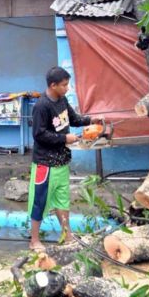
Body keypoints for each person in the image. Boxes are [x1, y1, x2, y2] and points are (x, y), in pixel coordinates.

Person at [28, 66, 101, 251]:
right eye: (64, 85)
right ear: (53, 85)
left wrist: (90, 120)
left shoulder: (62, 100)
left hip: (61, 161)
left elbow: (74, 119)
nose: (67, 88)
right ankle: (34, 240)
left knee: (62, 200)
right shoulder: (41, 106)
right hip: (45, 164)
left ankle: (67, 235)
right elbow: (39, 134)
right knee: (40, 200)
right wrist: (64, 138)